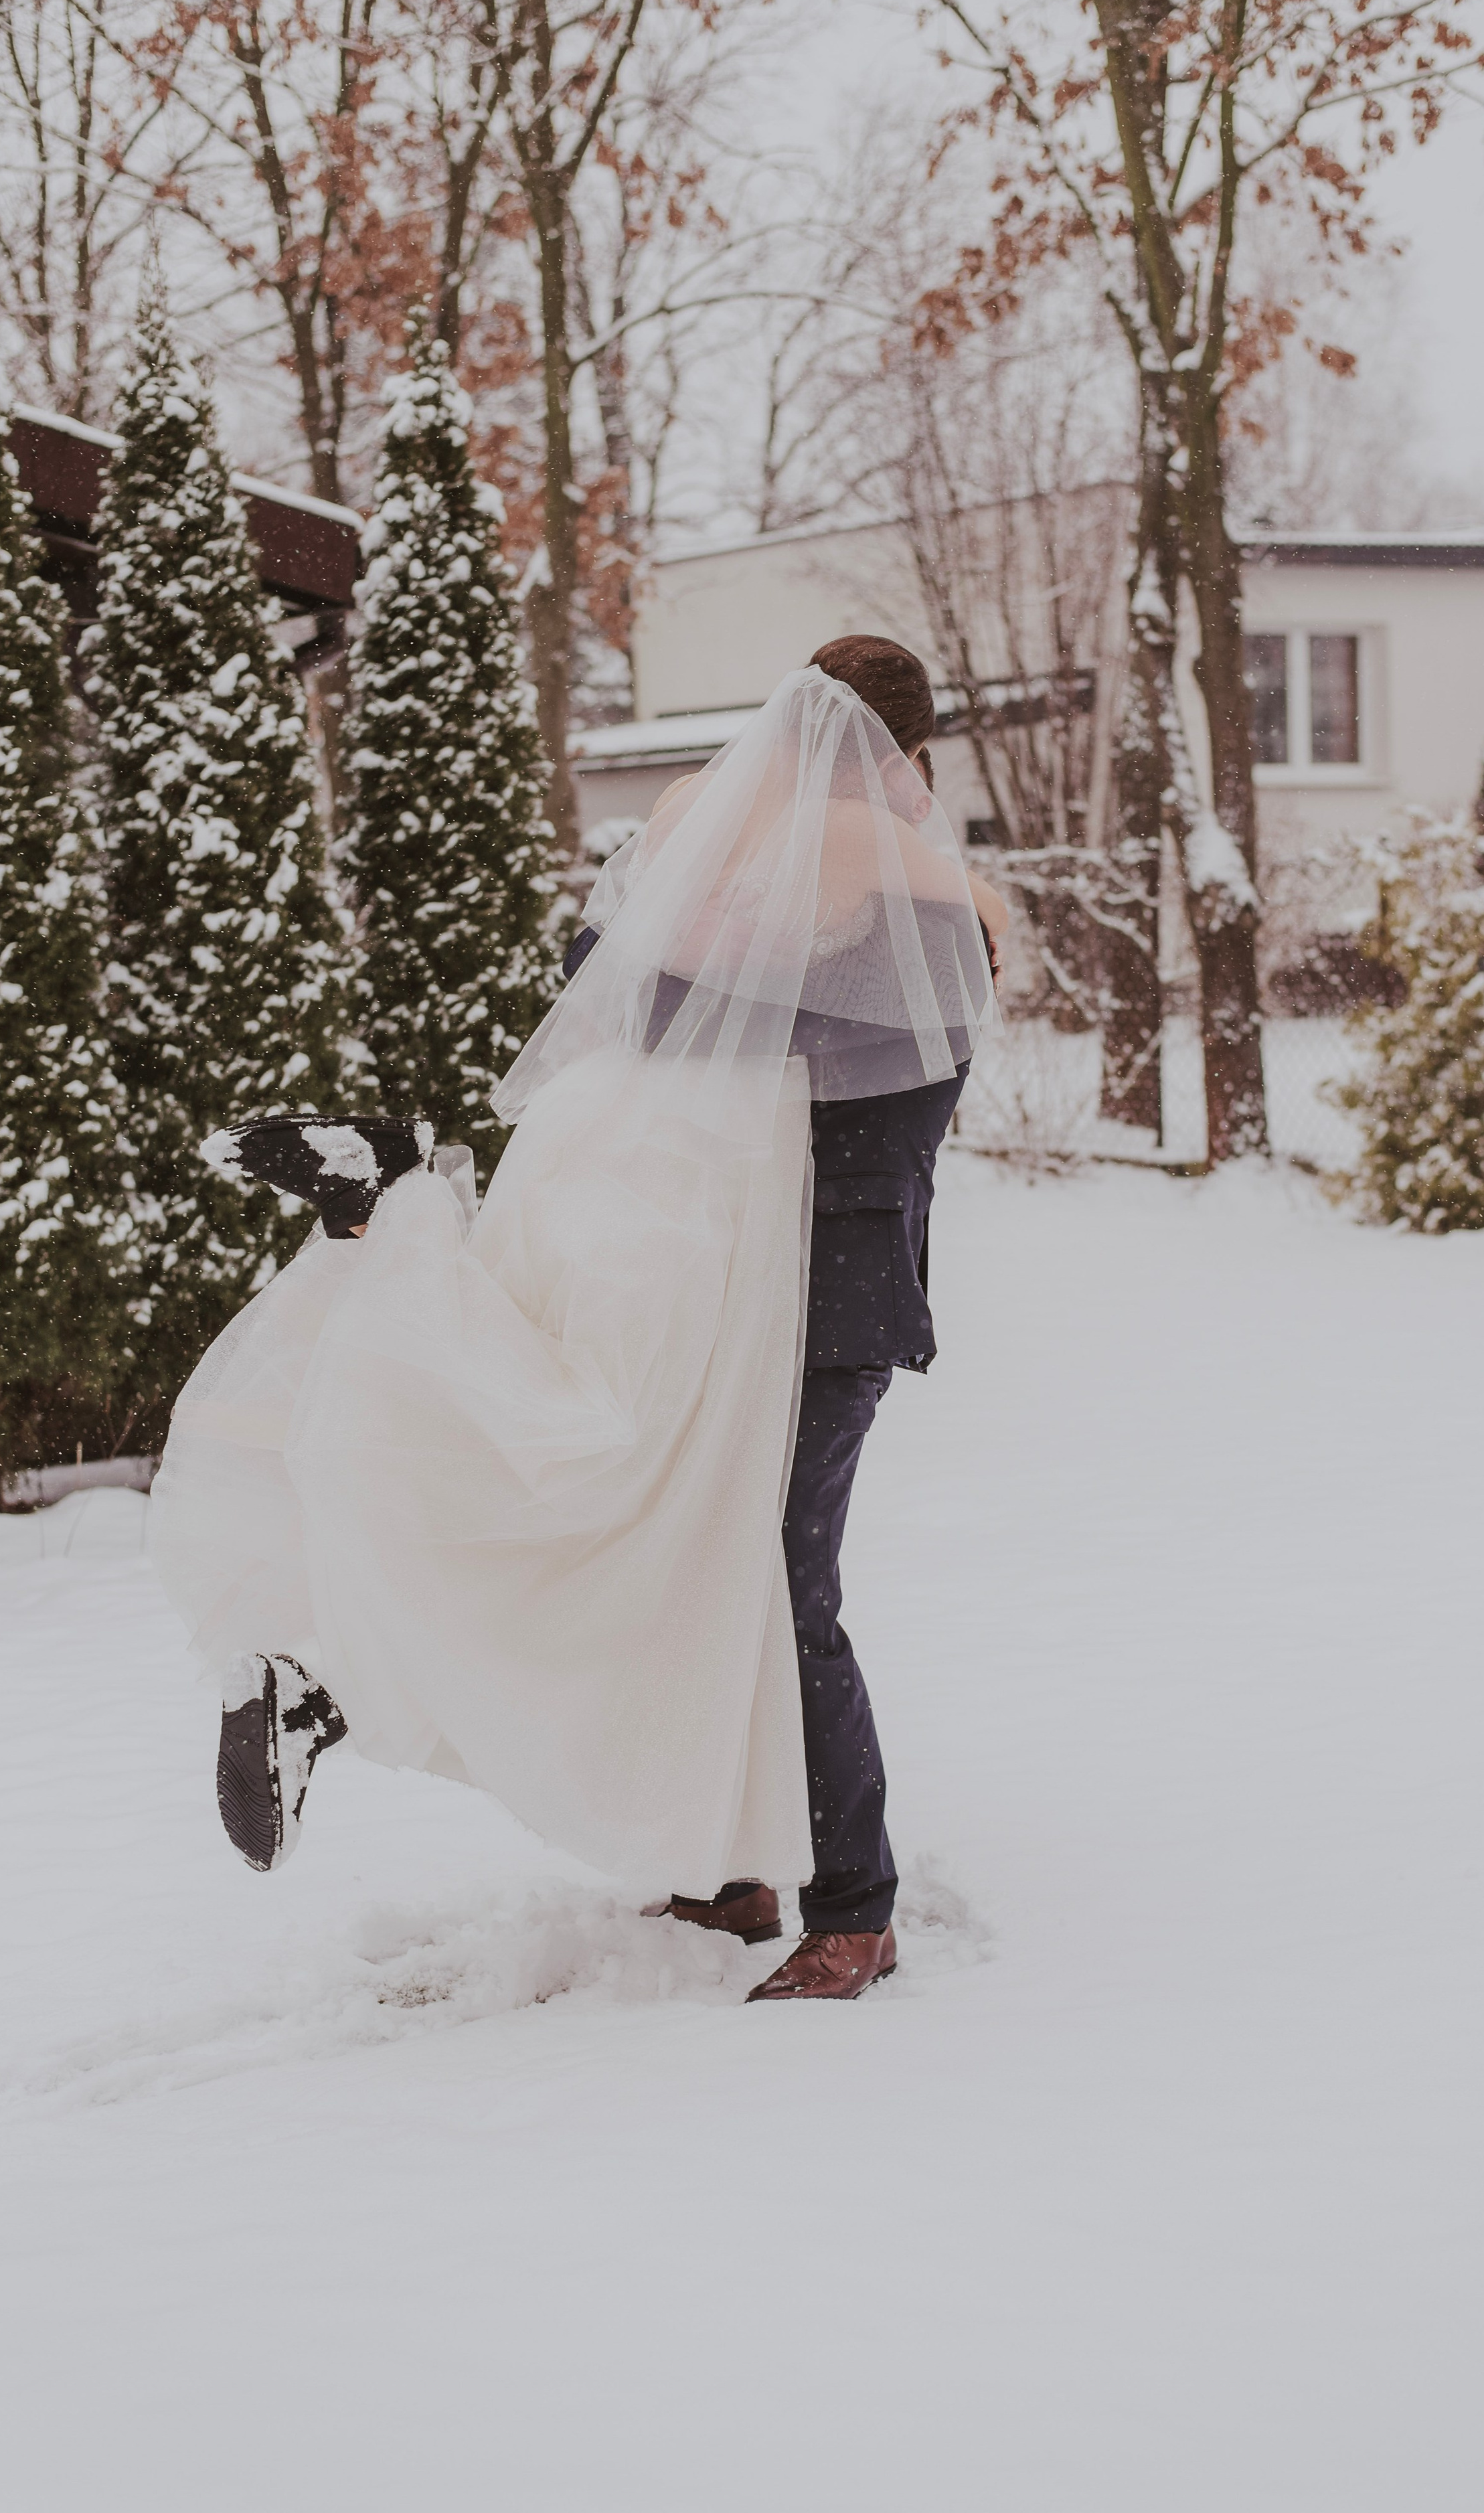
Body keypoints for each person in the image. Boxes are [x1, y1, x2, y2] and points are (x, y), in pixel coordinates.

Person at [151, 642, 1007, 2004]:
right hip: (783, 1294)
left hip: (769, 1296)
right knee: (735, 1580)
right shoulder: (918, 894)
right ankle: (789, 1890)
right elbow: (767, 1041)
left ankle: (835, 1895)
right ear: (902, 754)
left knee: (738, 1574)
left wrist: (687, 941)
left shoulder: (832, 901)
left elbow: (630, 989)